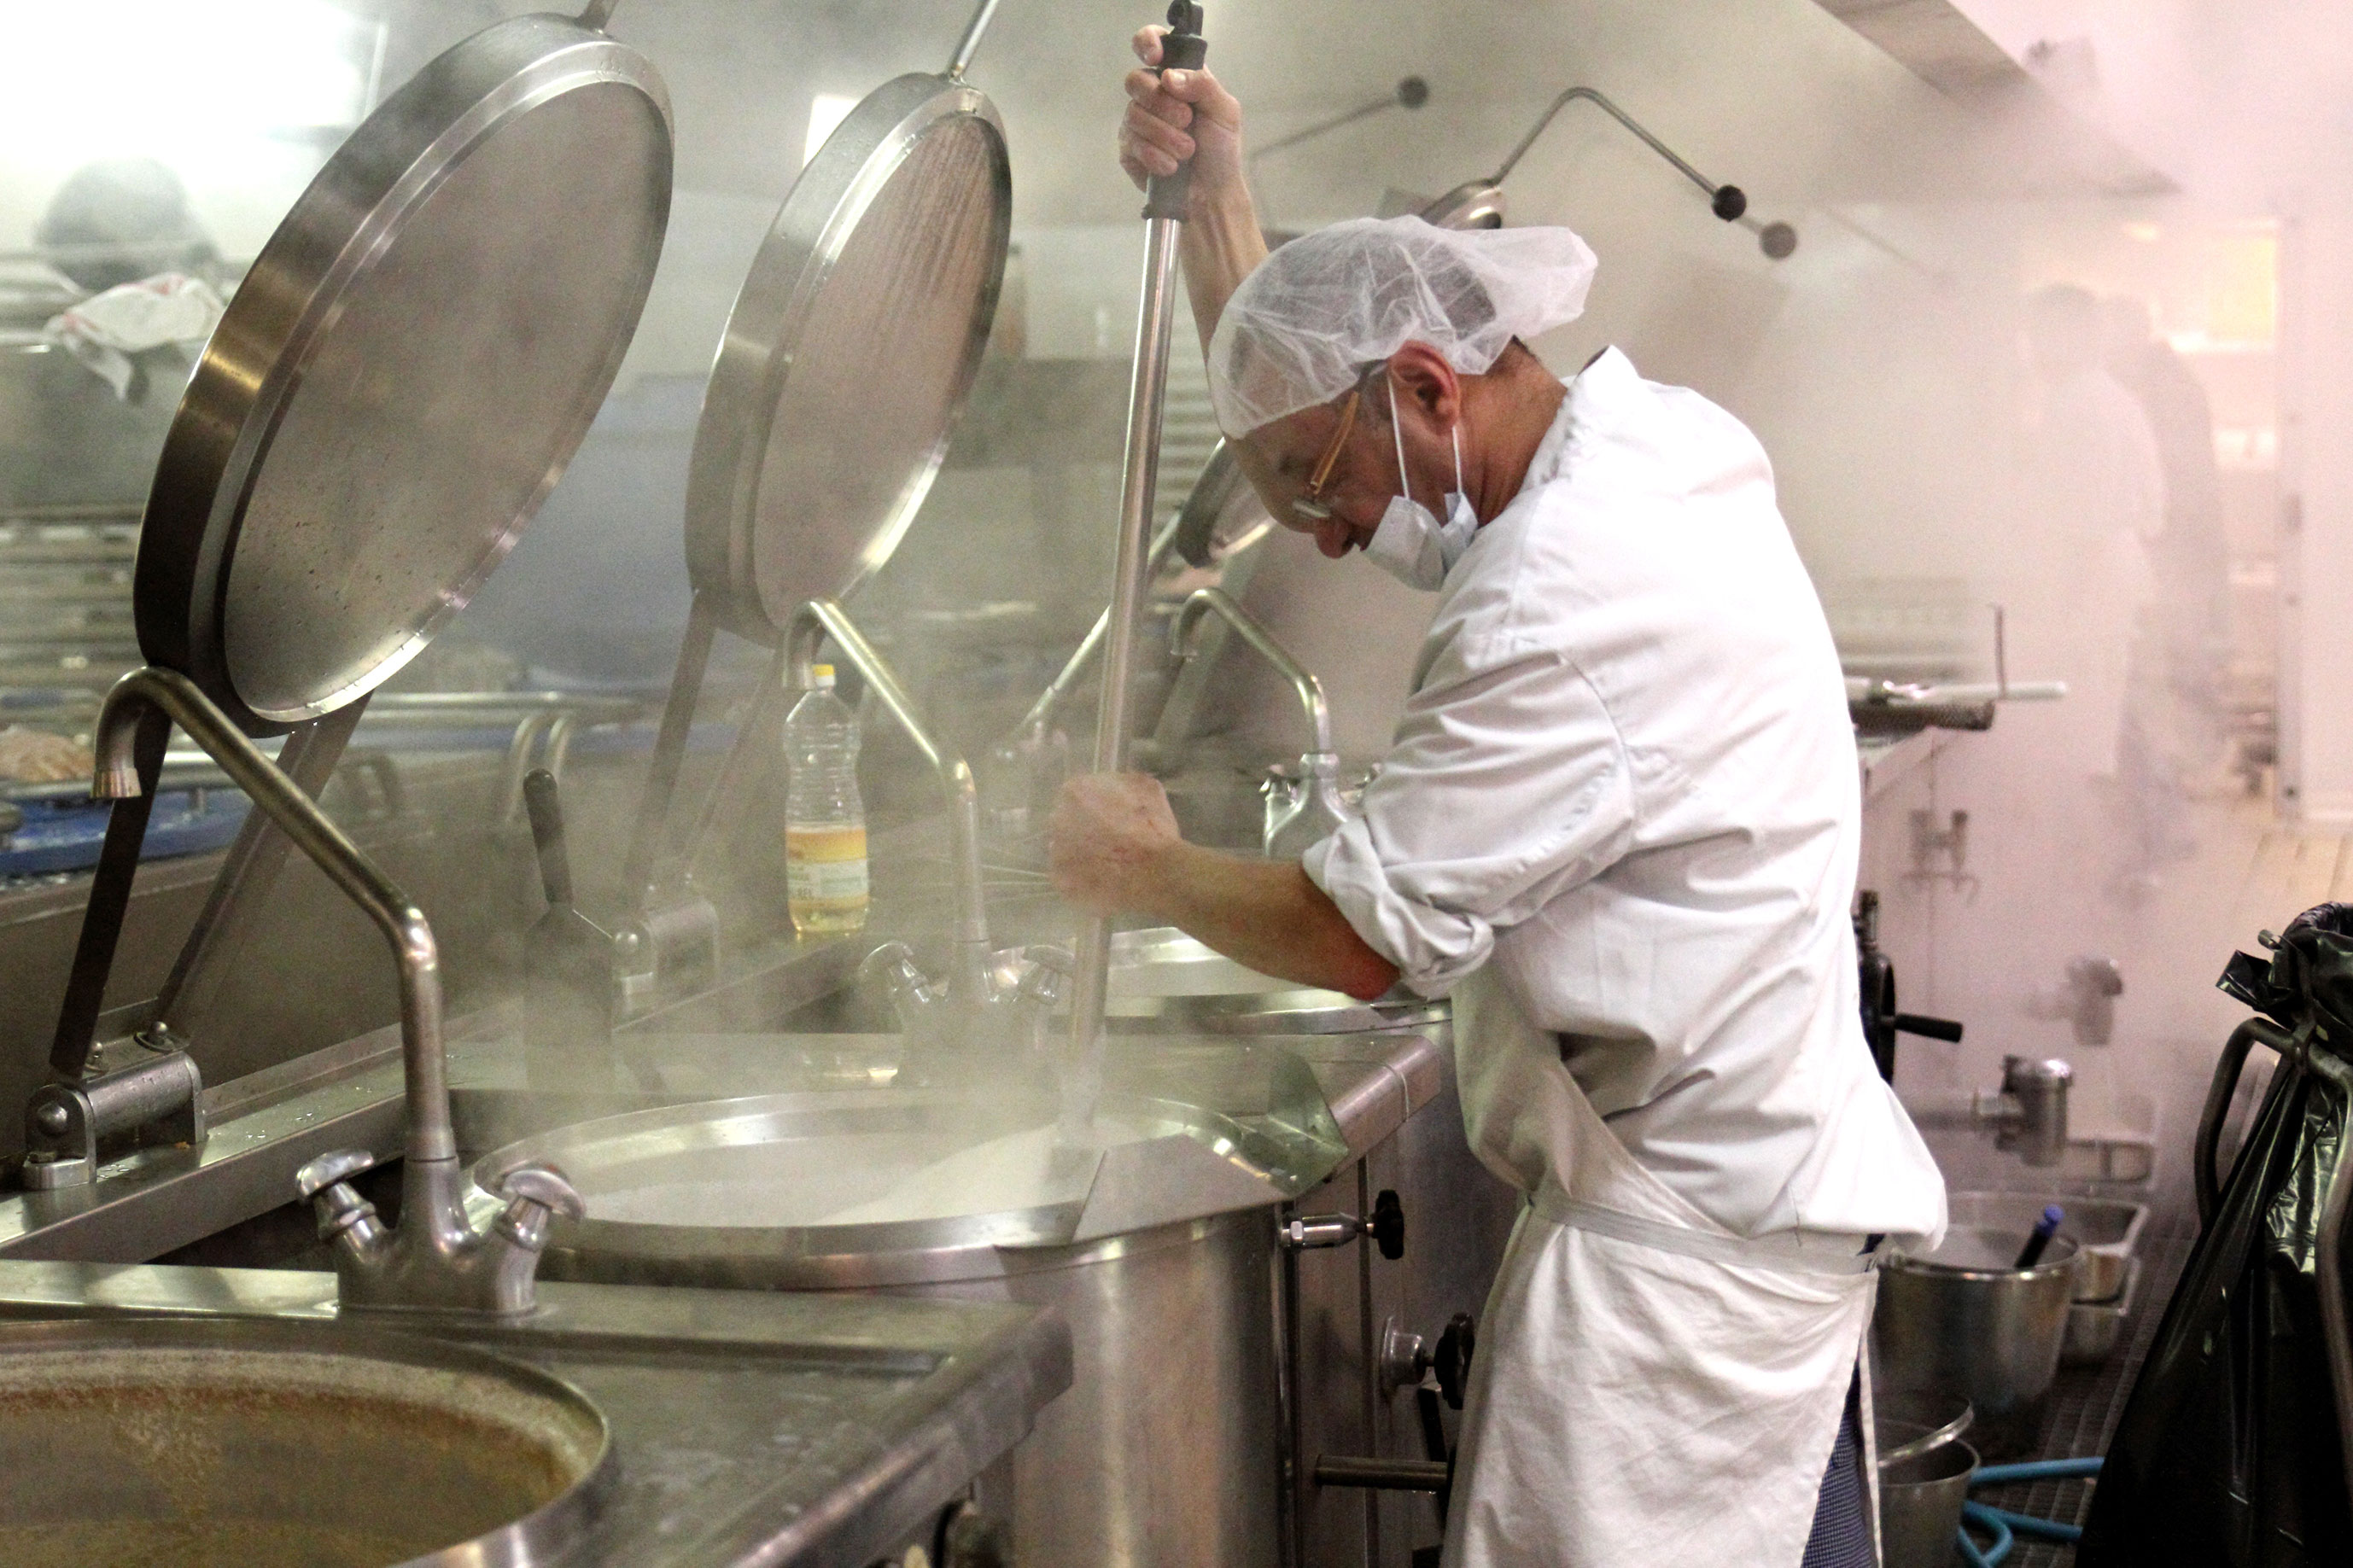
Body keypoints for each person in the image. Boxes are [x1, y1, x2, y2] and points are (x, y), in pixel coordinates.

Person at [1048, 28, 1945, 1568]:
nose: (1334, 540)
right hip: (1747, 1221)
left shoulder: (1557, 597)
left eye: (1321, 492)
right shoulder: (1640, 443)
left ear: (1426, 386)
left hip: (1678, 1290)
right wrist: (1220, 211)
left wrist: (1144, 865)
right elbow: (1326, 410)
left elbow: (1357, 939)